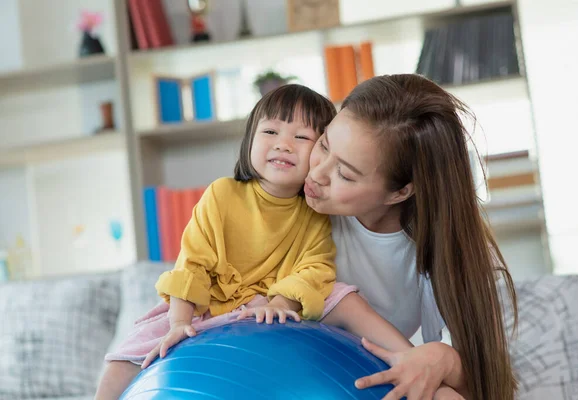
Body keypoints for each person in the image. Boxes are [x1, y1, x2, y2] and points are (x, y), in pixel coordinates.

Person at [95, 84, 422, 400]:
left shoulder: (315, 211)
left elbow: (315, 268)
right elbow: (193, 263)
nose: (284, 145)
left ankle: (413, 359)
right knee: (120, 364)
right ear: (249, 139)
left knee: (342, 295)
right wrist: (180, 322)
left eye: (302, 137)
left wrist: (281, 304)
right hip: (204, 306)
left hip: (272, 303)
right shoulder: (221, 194)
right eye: (270, 132)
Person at [304, 74, 519, 400]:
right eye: (323, 144)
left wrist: (444, 359)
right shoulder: (287, 195)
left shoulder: (441, 250)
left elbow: (486, 383)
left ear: (400, 192)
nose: (316, 173)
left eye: (345, 174)